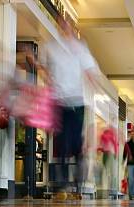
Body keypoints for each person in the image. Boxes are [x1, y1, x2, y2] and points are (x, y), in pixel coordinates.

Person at [45, 15, 99, 195]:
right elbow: (48, 70)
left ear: (73, 27)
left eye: (68, 25)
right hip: (60, 100)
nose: (65, 27)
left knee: (75, 143)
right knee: (61, 141)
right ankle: (61, 184)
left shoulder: (79, 47)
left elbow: (90, 70)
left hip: (76, 101)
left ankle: (78, 180)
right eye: (62, 24)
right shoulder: (53, 47)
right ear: (60, 26)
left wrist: (93, 84)